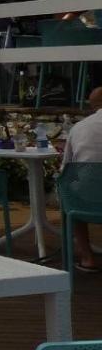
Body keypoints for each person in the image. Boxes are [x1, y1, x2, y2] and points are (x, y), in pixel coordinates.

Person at [63, 87, 102, 272]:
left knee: (71, 194)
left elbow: (66, 169)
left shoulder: (78, 128)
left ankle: (87, 258)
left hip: (85, 202)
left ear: (92, 106)